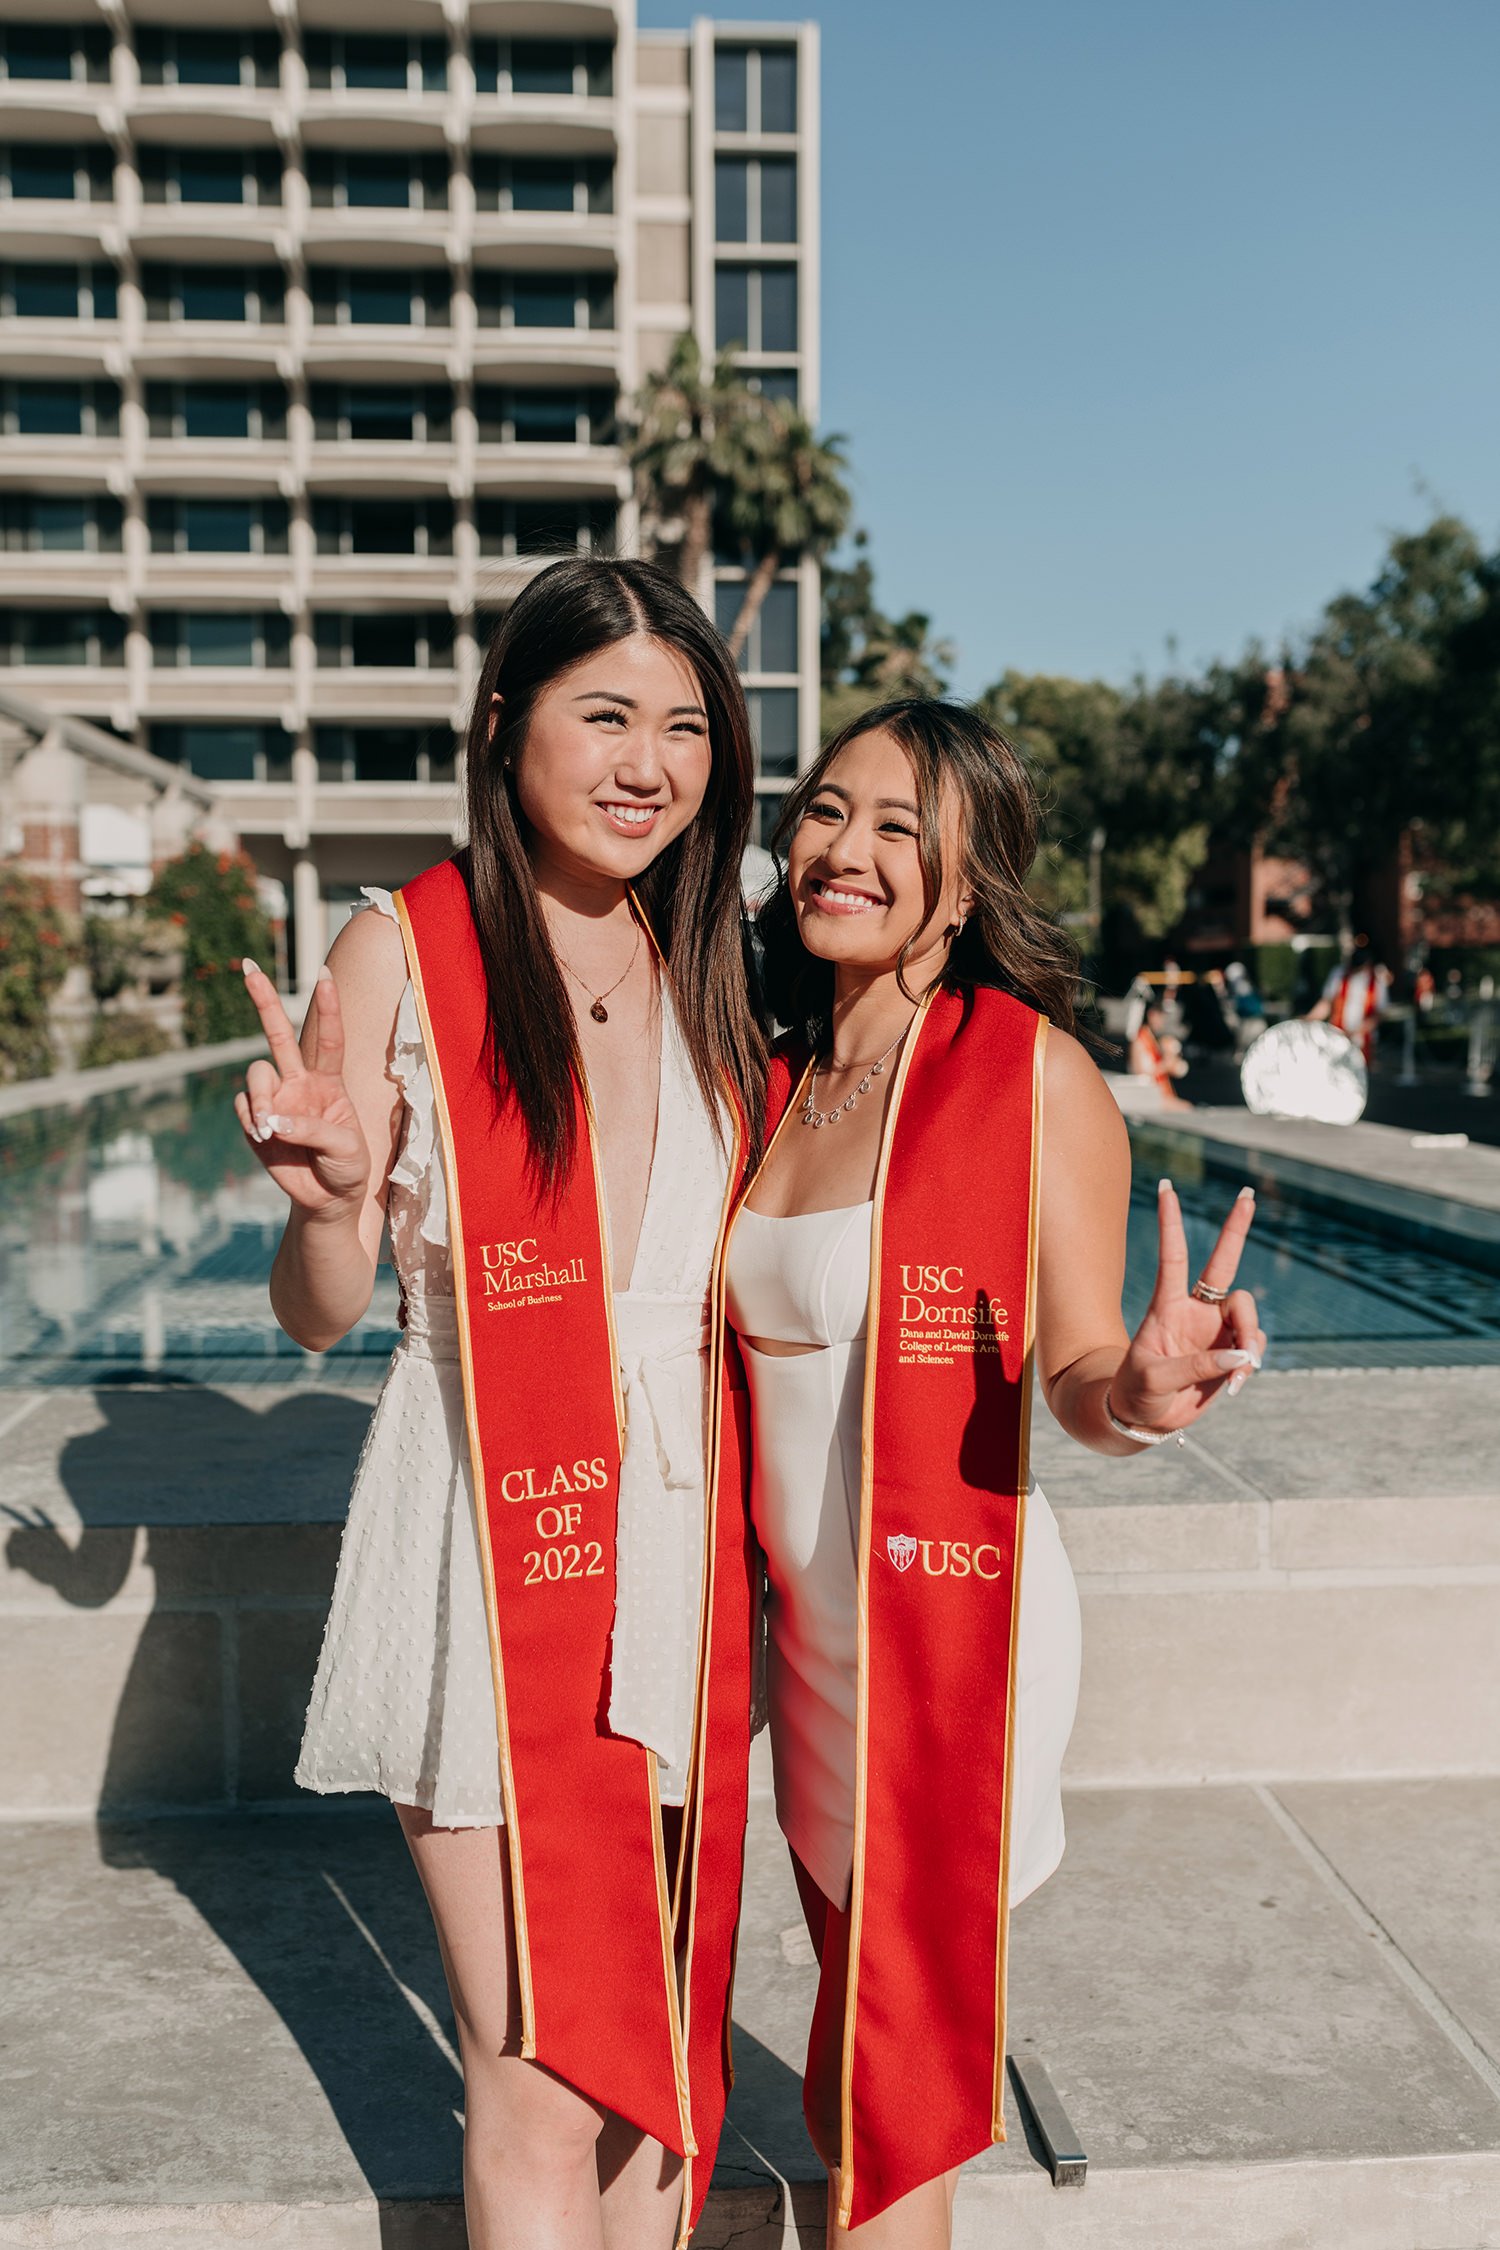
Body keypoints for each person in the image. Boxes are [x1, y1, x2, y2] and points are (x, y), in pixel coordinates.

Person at [233, 557, 766, 2250]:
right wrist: (329, 1206)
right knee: (536, 2066)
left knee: (659, 2066)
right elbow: (318, 1319)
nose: (648, 763)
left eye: (685, 728)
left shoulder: (711, 957)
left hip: (681, 1534)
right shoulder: (405, 947)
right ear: (503, 728)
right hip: (487, 1523)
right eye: (603, 714)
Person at [727, 698, 1264, 2247]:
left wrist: (1143, 1393)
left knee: (891, 2117)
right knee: (849, 2062)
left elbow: (1080, 1376)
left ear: (965, 889)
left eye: (903, 828)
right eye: (830, 810)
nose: (850, 848)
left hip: (952, 1646)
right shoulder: (775, 1076)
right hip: (815, 1655)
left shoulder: (1026, 1079)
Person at [1310, 936, 1390, 1066]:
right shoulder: (1339, 974)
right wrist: (1310, 1018)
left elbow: (1379, 1013)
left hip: (1363, 1041)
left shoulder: (1377, 979)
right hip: (1337, 1036)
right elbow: (1327, 1002)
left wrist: (1357, 1031)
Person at [1129, 996, 1191, 1103]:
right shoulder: (1140, 1041)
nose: (1163, 1021)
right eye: (1160, 1016)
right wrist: (1166, 1066)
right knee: (1187, 1109)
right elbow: (1142, 1073)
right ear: (1151, 1015)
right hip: (1150, 1097)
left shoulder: (1153, 1038)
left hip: (1160, 1093)